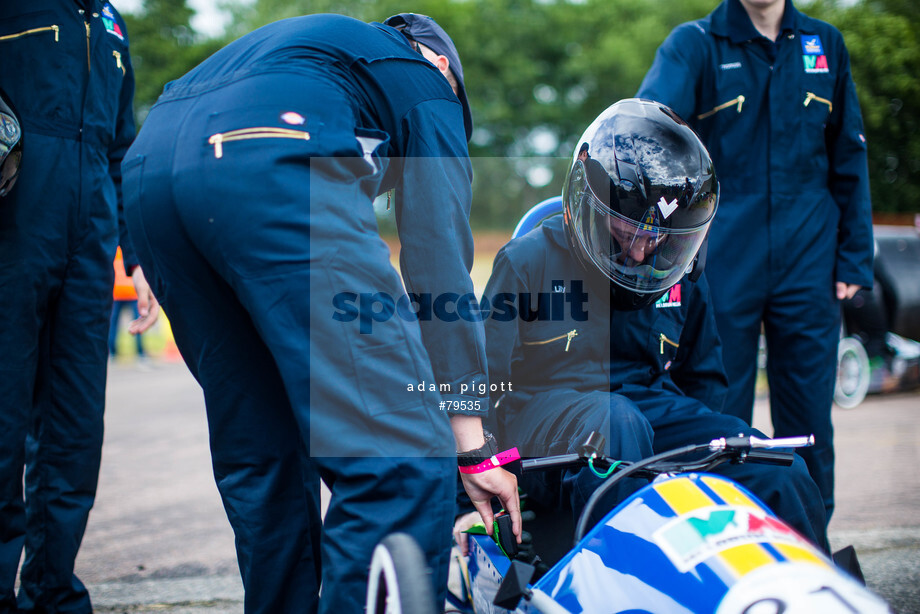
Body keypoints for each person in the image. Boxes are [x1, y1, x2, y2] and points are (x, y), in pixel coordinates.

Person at [120, 12, 520, 613]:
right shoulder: (428, 83)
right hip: (270, 157)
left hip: (150, 174)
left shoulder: (314, 55)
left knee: (265, 458)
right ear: (443, 66)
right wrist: (471, 444)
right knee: (401, 458)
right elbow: (439, 270)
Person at [480, 99, 828, 553]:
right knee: (616, 424)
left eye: (656, 238)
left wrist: (711, 457)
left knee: (774, 462)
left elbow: (703, 381)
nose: (642, 254)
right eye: (627, 234)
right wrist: (472, 476)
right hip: (544, 420)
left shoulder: (678, 274)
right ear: (590, 204)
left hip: (645, 411)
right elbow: (478, 378)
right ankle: (625, 579)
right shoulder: (526, 261)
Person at [636, 0, 873, 521]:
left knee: (810, 423)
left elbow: (849, 155)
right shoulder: (694, 44)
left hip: (810, 260)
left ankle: (811, 545)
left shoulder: (825, 45)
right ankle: (724, 541)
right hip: (723, 260)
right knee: (718, 417)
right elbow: (647, 132)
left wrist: (855, 258)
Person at [0, 2, 158, 612]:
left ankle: (53, 591)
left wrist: (135, 255)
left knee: (74, 432)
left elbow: (121, 151)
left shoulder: (112, 25)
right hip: (14, 233)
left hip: (89, 249)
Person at [109, 246, 147, 361]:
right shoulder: (130, 249)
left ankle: (112, 352)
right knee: (139, 323)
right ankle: (140, 353)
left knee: (113, 324)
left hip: (117, 292)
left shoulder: (112, 251)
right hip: (132, 291)